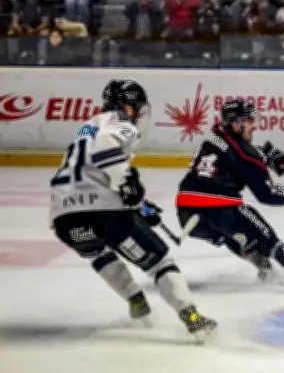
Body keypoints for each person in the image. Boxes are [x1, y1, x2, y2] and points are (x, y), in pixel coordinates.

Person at [50, 80, 217, 341]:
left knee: (98, 250)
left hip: (64, 220)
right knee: (160, 262)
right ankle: (192, 317)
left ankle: (136, 300)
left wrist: (137, 202)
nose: (139, 114)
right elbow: (108, 150)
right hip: (103, 214)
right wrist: (127, 183)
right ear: (128, 108)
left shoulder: (87, 128)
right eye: (137, 109)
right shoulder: (120, 125)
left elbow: (93, 175)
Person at [175, 99, 284, 294]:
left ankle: (263, 267)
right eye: (250, 120)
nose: (255, 125)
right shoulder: (246, 154)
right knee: (271, 243)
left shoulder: (213, 140)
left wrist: (264, 155)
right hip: (221, 210)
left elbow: (233, 152)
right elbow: (267, 194)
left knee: (232, 237)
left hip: (187, 215)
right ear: (235, 123)